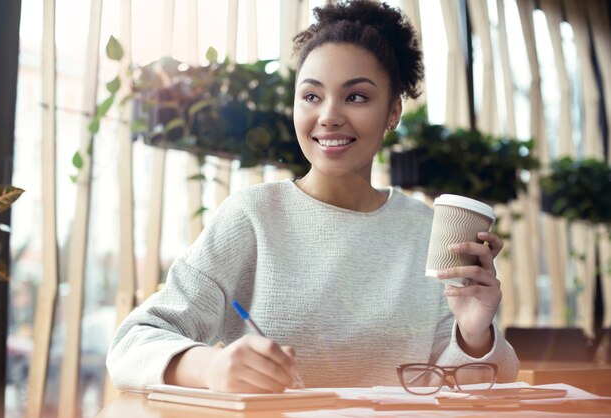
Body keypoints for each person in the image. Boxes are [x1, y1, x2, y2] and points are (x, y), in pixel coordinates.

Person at [106, 0, 519, 393]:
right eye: (311, 96)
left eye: (356, 96)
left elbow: (467, 393)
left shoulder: (430, 235)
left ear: (393, 111)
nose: (329, 115)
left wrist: (474, 333)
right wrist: (212, 367)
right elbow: (132, 343)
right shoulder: (253, 218)